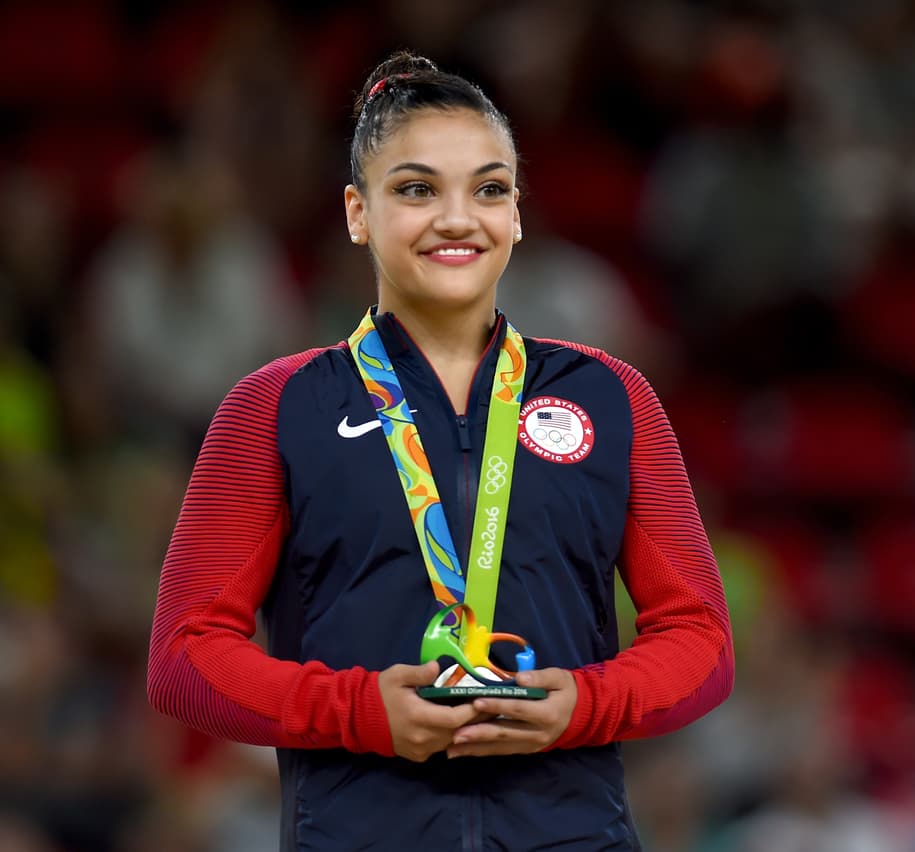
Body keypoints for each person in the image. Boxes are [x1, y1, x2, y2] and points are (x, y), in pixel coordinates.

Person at [146, 51, 734, 851]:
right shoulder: (274, 409)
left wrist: (583, 703)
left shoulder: (611, 396)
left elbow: (700, 639)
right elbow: (184, 657)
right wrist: (362, 712)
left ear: (518, 214)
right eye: (417, 189)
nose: (458, 219)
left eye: (489, 189)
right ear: (358, 213)